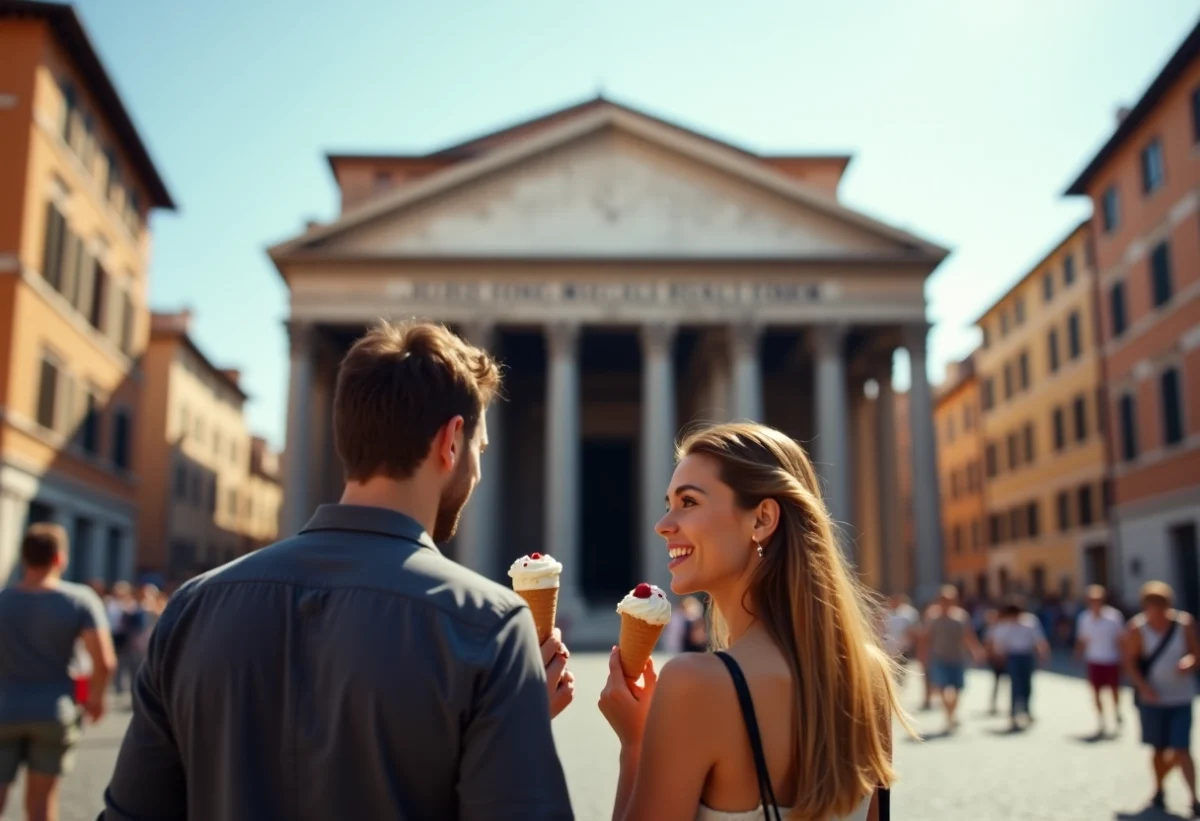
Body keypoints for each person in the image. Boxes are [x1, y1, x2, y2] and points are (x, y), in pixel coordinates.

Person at [101, 320, 575, 820]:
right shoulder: (490, 628)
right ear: (451, 442)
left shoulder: (189, 610)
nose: (476, 472)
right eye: (478, 452)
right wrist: (514, 728)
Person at [599, 422, 908, 820]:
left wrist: (635, 745)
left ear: (761, 519)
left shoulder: (696, 683)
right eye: (668, 503)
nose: (663, 524)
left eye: (688, 502)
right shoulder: (870, 676)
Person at [0, 524, 115, 821]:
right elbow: (104, 661)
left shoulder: (3, 600)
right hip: (54, 710)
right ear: (60, 559)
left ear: (24, 558)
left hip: (4, 707)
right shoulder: (79, 599)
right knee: (41, 803)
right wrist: (96, 699)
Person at [1123, 581, 1200, 816]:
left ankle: (1194, 798)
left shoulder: (1183, 623)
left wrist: (1188, 663)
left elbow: (1195, 654)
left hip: (1181, 696)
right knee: (1158, 749)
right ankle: (1159, 788)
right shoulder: (1138, 628)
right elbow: (1130, 662)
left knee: (1181, 747)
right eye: (1152, 604)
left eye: (1161, 604)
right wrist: (1144, 687)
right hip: (1153, 698)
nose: (1157, 609)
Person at [923, 585, 985, 733]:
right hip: (939, 657)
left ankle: (952, 713)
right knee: (942, 688)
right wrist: (923, 656)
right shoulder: (932, 616)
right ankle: (949, 716)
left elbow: (968, 635)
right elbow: (926, 637)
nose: (947, 602)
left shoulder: (961, 616)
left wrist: (976, 650)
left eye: (950, 599)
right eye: (944, 599)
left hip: (957, 657)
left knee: (957, 688)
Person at [987, 600, 1049, 732]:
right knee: (1015, 685)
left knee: (1027, 684)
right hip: (1012, 656)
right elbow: (999, 642)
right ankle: (1014, 713)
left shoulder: (1030, 622)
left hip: (1026, 655)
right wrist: (998, 657)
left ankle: (1026, 709)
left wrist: (1042, 652)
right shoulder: (1004, 625)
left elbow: (1038, 639)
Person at [1074, 584, 1125, 736]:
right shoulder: (1084, 618)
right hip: (1094, 659)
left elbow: (1120, 639)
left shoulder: (1114, 616)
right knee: (1096, 692)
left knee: (1114, 690)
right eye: (1091, 599)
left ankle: (1116, 711)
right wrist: (1078, 653)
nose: (1094, 602)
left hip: (1111, 659)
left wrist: (1123, 658)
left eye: (1097, 599)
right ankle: (1101, 719)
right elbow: (1083, 639)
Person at [882, 594, 920, 685]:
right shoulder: (885, 614)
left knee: (901, 667)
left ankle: (899, 683)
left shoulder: (908, 615)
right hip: (888, 647)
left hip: (903, 647)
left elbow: (913, 630)